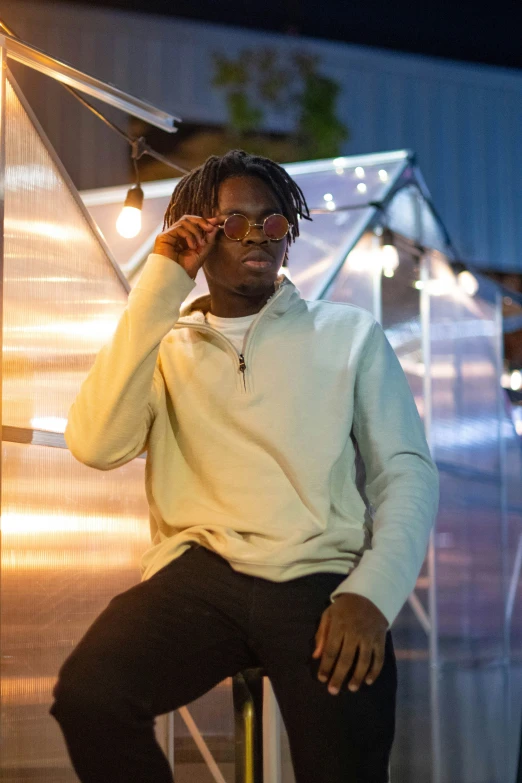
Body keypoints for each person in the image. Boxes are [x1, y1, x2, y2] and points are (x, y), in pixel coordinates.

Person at [49, 149, 439, 782]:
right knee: (91, 696)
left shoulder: (349, 334)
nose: (258, 234)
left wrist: (372, 594)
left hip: (321, 580)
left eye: (274, 221)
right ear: (200, 237)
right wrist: (160, 284)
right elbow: (96, 444)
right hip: (201, 575)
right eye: (233, 223)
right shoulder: (164, 345)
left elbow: (406, 471)